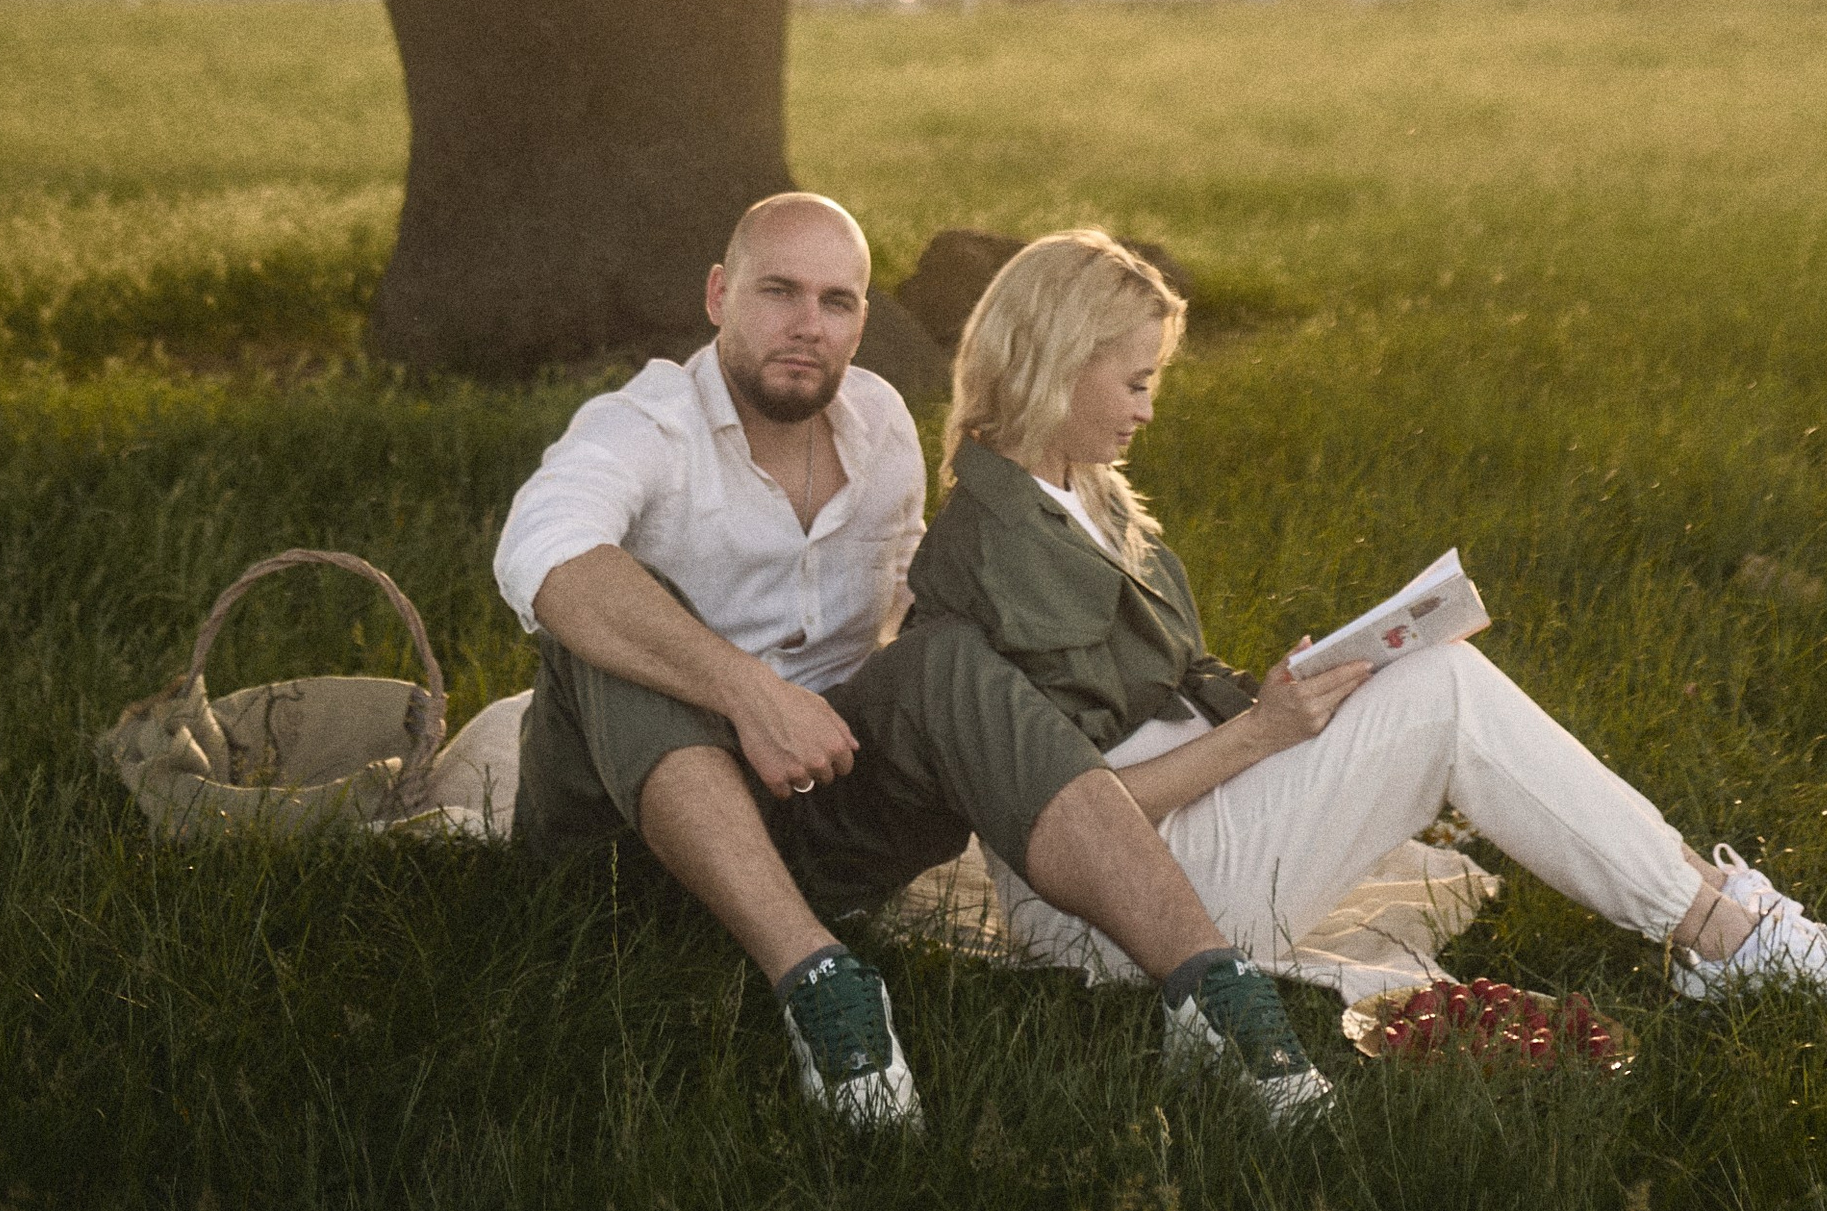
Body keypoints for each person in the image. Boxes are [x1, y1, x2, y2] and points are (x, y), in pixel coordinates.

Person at [897, 229, 1827, 1116]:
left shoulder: (1079, 490)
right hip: (1132, 907)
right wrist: (1260, 733)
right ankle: (1725, 938)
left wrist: (1269, 697)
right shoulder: (988, 551)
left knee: (1426, 666)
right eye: (1135, 380)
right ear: (1057, 364)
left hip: (1194, 828)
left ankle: (1714, 898)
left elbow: (1149, 695)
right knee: (1443, 692)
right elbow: (1070, 812)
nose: (1148, 409)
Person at [494, 190, 1260, 1133]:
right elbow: (544, 557)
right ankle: (819, 983)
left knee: (943, 657)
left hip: (820, 822)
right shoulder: (642, 425)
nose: (808, 327)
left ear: (864, 316)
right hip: (619, 852)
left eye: (838, 301)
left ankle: (1212, 994)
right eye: (779, 292)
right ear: (718, 295)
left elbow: (905, 612)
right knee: (615, 619)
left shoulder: (880, 423)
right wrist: (747, 693)